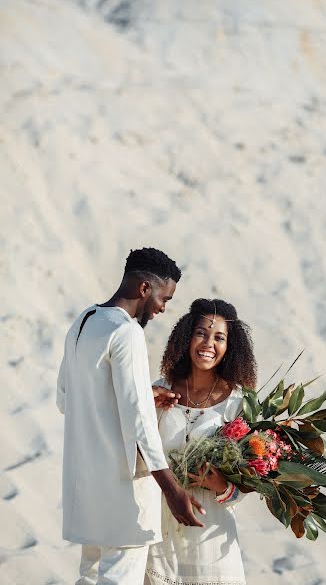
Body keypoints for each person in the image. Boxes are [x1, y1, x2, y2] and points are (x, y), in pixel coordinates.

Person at [56, 248, 205, 585]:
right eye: (163, 298)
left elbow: (66, 397)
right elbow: (139, 423)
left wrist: (142, 393)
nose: (162, 309)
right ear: (143, 288)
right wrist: (171, 489)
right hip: (123, 494)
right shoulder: (127, 333)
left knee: (89, 577)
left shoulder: (83, 321)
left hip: (85, 490)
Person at [145, 298, 257, 585]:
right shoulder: (161, 390)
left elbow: (246, 486)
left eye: (219, 337)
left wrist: (219, 485)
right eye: (201, 333)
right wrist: (144, 400)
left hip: (210, 533)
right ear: (187, 336)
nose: (208, 343)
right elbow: (136, 449)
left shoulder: (238, 404)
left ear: (230, 347)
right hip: (158, 529)